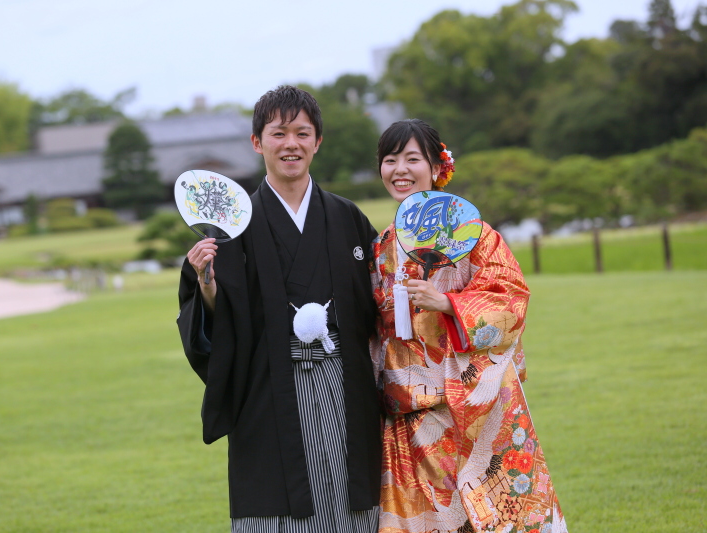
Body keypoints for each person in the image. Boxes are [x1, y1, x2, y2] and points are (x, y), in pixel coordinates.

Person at [177, 85, 381, 532]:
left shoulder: (348, 218)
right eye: (279, 133)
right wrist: (205, 282)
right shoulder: (234, 227)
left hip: (346, 386)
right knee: (275, 511)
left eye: (303, 133)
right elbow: (218, 320)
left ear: (317, 141)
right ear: (257, 142)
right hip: (270, 390)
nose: (292, 144)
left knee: (354, 505)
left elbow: (380, 305)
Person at [369, 119, 567, 533]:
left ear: (437, 167)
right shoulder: (381, 246)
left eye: (412, 159)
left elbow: (510, 299)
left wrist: (447, 303)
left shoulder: (475, 236)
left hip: (478, 407)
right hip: (410, 416)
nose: (400, 170)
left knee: (499, 517)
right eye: (390, 160)